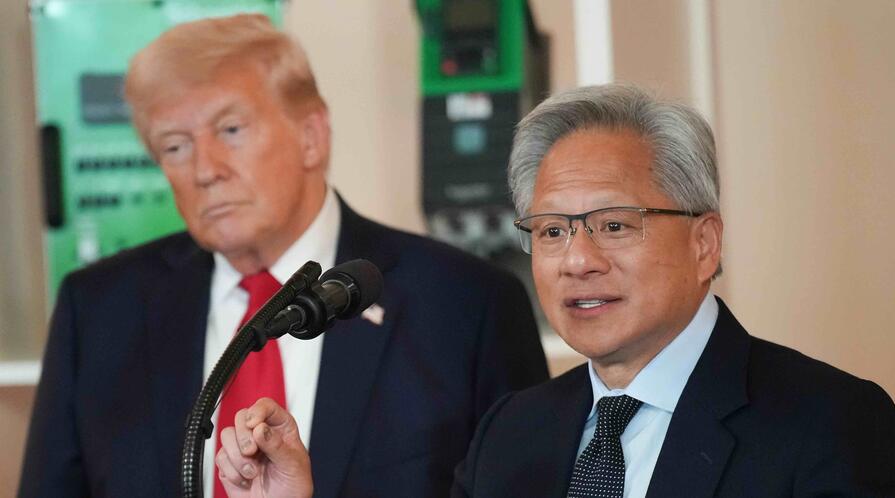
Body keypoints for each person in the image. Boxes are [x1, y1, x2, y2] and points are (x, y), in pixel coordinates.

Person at [214, 84, 895, 497]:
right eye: (549, 231)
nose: (576, 260)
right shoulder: (512, 432)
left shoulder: (829, 424)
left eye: (613, 225)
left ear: (703, 243)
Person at [18, 14, 548, 498]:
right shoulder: (98, 313)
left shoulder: (468, 305)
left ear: (311, 136)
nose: (205, 169)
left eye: (230, 130)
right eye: (175, 146)